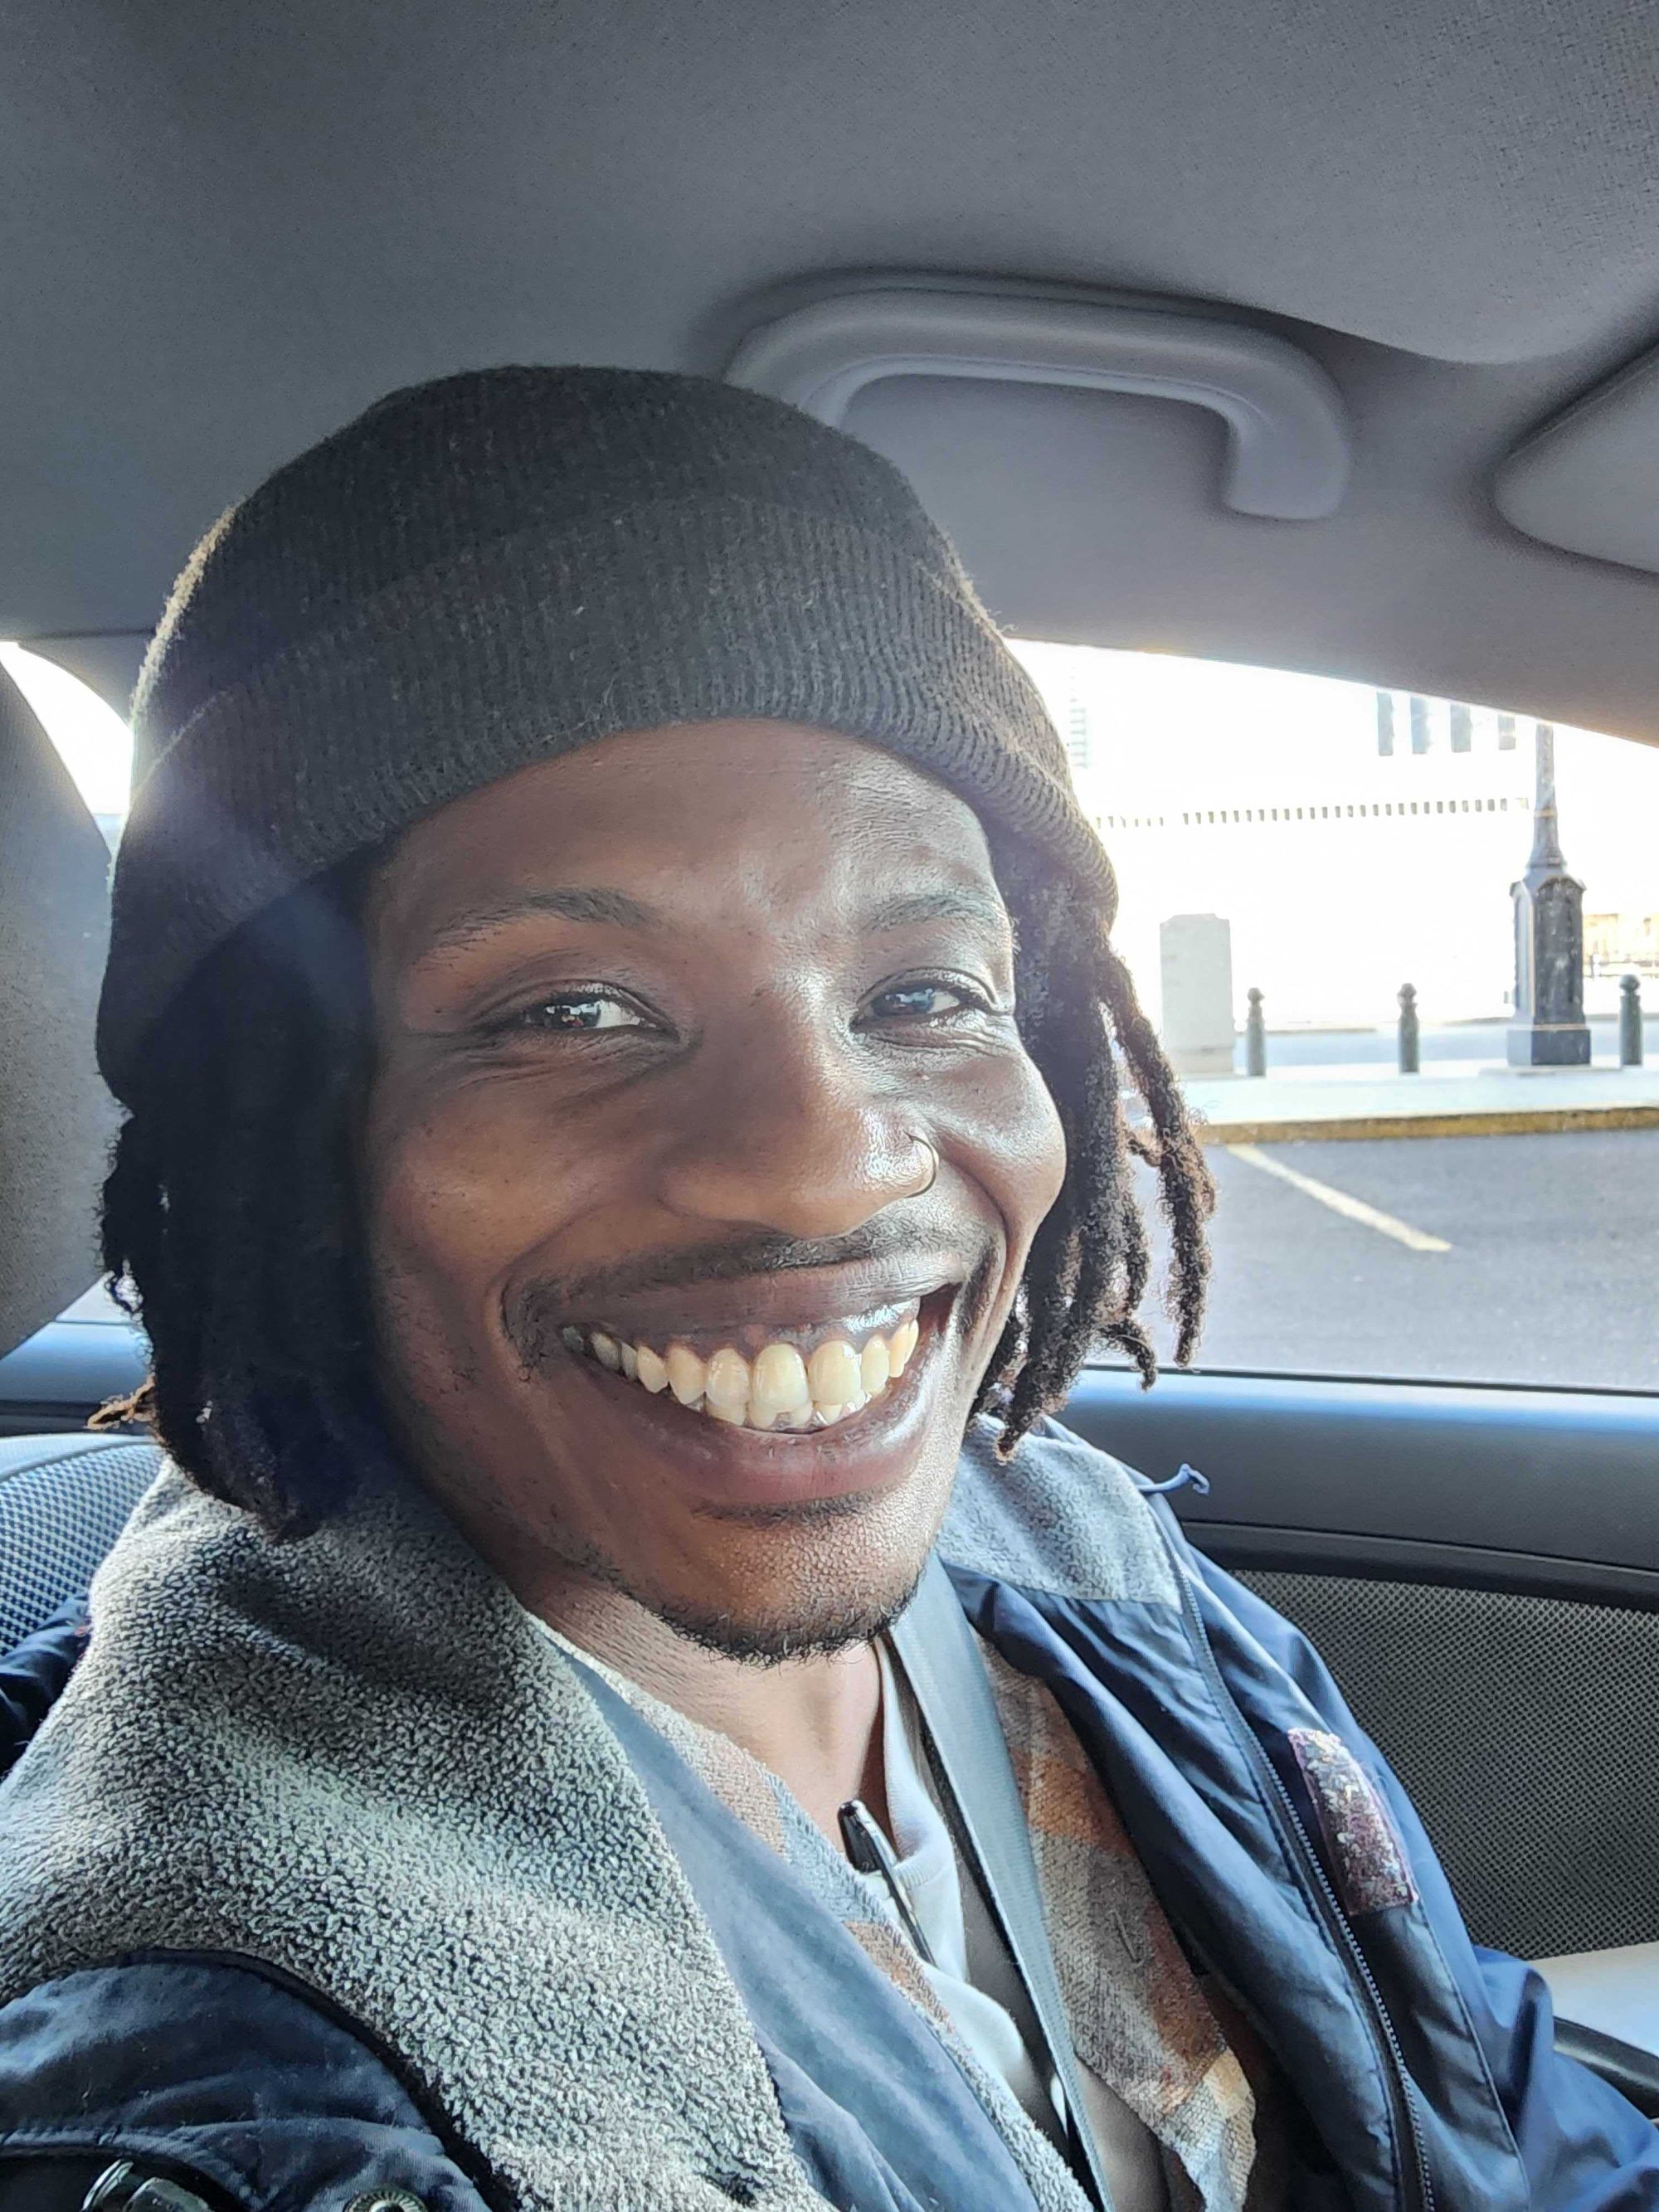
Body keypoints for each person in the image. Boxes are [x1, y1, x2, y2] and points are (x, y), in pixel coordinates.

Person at [0, 367, 1652, 2212]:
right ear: (300, 1137)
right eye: (570, 1010)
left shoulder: (1081, 1553)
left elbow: (1494, 2128)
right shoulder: (240, 2077)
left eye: (924, 993)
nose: (821, 1157)